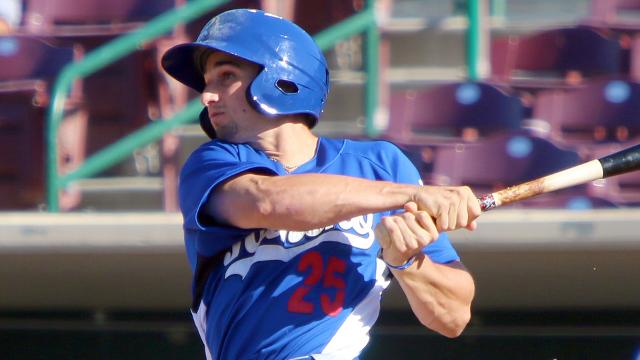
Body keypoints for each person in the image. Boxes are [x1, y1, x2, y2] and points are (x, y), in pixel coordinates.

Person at [161, 8, 480, 359]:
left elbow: (454, 317)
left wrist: (406, 260)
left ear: (282, 77)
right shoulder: (213, 164)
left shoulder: (380, 164)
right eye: (207, 82)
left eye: (225, 76)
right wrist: (411, 194)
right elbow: (270, 203)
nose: (207, 96)